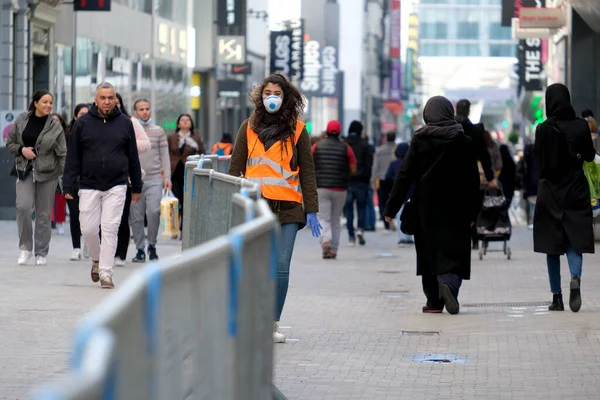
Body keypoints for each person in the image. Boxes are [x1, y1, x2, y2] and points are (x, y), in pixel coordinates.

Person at [228, 72, 321, 343]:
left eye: (277, 94)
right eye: (268, 93)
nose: (272, 98)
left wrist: (311, 208)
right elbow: (235, 169)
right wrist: (230, 205)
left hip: (288, 208)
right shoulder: (248, 127)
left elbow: (308, 173)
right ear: (261, 96)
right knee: (257, 265)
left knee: (280, 267)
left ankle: (272, 322)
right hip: (255, 208)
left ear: (286, 97)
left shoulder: (298, 130)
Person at [383, 96, 480, 315]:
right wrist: (474, 211)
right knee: (455, 250)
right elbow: (472, 179)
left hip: (426, 206)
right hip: (458, 206)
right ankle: (450, 285)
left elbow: (405, 174)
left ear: (428, 114)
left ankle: (434, 302)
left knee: (428, 252)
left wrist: (390, 208)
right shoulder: (463, 140)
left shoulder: (420, 139)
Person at [63, 82, 143, 289]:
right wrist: (68, 184)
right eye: (103, 98)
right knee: (88, 229)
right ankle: (97, 260)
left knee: (110, 228)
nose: (107, 102)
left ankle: (106, 273)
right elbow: (73, 156)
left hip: (117, 184)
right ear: (96, 99)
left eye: (111, 98)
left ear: (115, 99)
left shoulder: (125, 123)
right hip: (88, 184)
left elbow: (133, 156)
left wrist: (137, 186)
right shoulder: (82, 124)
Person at [533, 83, 595, 313]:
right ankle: (575, 278)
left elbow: (538, 160)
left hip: (550, 192)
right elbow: (589, 156)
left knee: (552, 245)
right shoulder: (581, 126)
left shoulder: (543, 129)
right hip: (576, 189)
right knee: (574, 240)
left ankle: (556, 297)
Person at [6, 90, 67, 266]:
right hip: (25, 169)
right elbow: (10, 143)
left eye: (51, 103)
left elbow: (62, 153)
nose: (49, 105)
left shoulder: (55, 126)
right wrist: (21, 150)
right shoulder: (22, 120)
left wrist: (64, 178)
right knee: (23, 207)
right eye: (45, 102)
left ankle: (41, 252)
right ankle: (25, 248)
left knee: (43, 213)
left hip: (49, 173)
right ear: (36, 103)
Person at [130, 98, 172, 262]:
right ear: (135, 112)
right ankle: (140, 249)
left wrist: (167, 177)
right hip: (135, 179)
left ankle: (152, 245)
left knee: (154, 212)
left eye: (147, 109)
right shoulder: (130, 130)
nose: (144, 112)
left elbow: (165, 156)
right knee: (136, 216)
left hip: (155, 178)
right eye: (141, 109)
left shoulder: (158, 131)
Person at [113, 93, 151, 266]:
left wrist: (127, 144)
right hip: (100, 177)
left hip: (125, 176)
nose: (111, 104)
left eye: (116, 102)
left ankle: (120, 254)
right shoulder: (96, 122)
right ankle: (105, 251)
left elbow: (146, 144)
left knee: (122, 217)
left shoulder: (130, 122)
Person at [312, 120, 357, 259]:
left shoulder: (316, 146)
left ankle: (325, 240)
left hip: (321, 187)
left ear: (326, 131)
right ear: (339, 131)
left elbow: (308, 163)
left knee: (323, 217)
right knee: (335, 219)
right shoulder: (346, 148)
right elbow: (354, 168)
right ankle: (334, 250)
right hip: (340, 188)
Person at [455, 99, 496, 250]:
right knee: (473, 208)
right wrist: (490, 177)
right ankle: (474, 237)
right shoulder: (476, 131)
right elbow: (484, 156)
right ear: (469, 111)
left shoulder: (448, 129)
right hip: (470, 175)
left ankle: (457, 237)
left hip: (450, 176)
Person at [167, 113, 205, 235]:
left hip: (189, 173)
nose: (184, 122)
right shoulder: (172, 137)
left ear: (191, 123)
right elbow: (166, 154)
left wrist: (194, 145)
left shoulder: (196, 138)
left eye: (187, 120)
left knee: (186, 201)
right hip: (174, 173)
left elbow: (203, 152)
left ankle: (184, 229)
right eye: (182, 120)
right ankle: (174, 227)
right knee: (175, 201)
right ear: (178, 123)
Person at [344, 121, 373, 246]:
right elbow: (369, 166)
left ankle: (351, 236)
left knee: (349, 210)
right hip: (362, 181)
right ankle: (360, 229)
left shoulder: (345, 144)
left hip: (347, 181)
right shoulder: (365, 145)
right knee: (361, 207)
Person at [66, 103, 89, 260]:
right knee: (74, 214)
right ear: (75, 116)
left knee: (88, 215)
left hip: (90, 179)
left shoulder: (96, 132)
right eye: (80, 114)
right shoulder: (68, 135)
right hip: (73, 179)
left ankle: (89, 243)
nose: (83, 117)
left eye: (86, 114)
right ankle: (76, 247)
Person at [385, 142, 414, 246]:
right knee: (411, 214)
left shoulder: (394, 164)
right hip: (412, 193)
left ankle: (402, 237)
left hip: (399, 192)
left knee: (399, 215)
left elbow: (387, 177)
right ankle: (409, 237)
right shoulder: (414, 163)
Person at [372, 132, 397, 232]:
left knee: (382, 201)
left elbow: (375, 166)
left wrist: (373, 180)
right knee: (394, 200)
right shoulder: (397, 150)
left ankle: (386, 224)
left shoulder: (380, 150)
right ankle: (394, 220)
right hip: (395, 179)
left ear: (386, 138)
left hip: (382, 179)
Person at [51, 113, 68, 235]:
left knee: (60, 198)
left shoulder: (66, 135)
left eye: (57, 120)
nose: (55, 123)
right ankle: (49, 221)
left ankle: (60, 222)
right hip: (46, 170)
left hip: (62, 170)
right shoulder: (43, 133)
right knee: (46, 198)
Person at [516, 142, 540, 229]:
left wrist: (520, 183)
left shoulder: (525, 159)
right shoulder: (540, 158)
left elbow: (519, 172)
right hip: (540, 186)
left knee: (531, 206)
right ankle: (537, 222)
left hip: (529, 187)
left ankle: (532, 221)